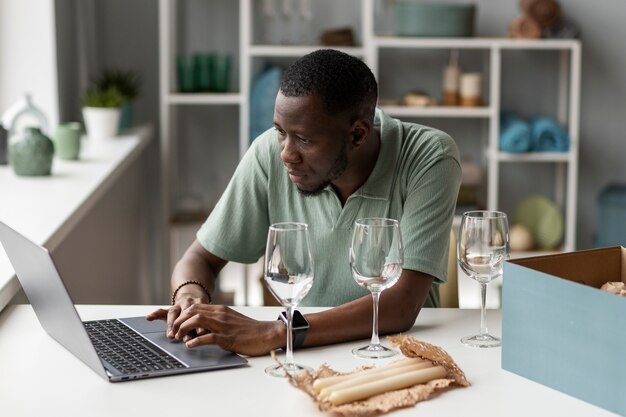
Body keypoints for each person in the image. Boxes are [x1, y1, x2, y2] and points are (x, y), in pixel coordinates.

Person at [147, 49, 461, 357]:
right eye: (280, 131)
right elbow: (200, 259)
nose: (286, 153)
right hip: (300, 356)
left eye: (305, 139)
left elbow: (401, 305)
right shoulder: (268, 153)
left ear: (357, 134)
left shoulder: (429, 157)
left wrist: (277, 332)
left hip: (397, 354)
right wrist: (189, 299)